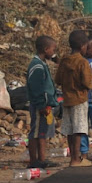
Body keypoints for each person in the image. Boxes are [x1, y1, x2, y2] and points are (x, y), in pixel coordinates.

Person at [55, 29, 92, 167]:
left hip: (67, 100)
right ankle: (76, 159)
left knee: (70, 130)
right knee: (78, 130)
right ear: (83, 46)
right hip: (80, 100)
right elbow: (87, 83)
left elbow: (58, 79)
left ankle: (73, 157)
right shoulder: (83, 62)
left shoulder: (64, 61)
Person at [25, 35, 59, 169]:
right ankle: (34, 161)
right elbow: (36, 87)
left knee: (42, 132)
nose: (54, 52)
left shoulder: (42, 63)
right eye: (52, 49)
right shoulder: (37, 66)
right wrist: (41, 104)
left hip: (45, 105)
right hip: (40, 105)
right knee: (35, 132)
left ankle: (42, 159)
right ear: (46, 49)